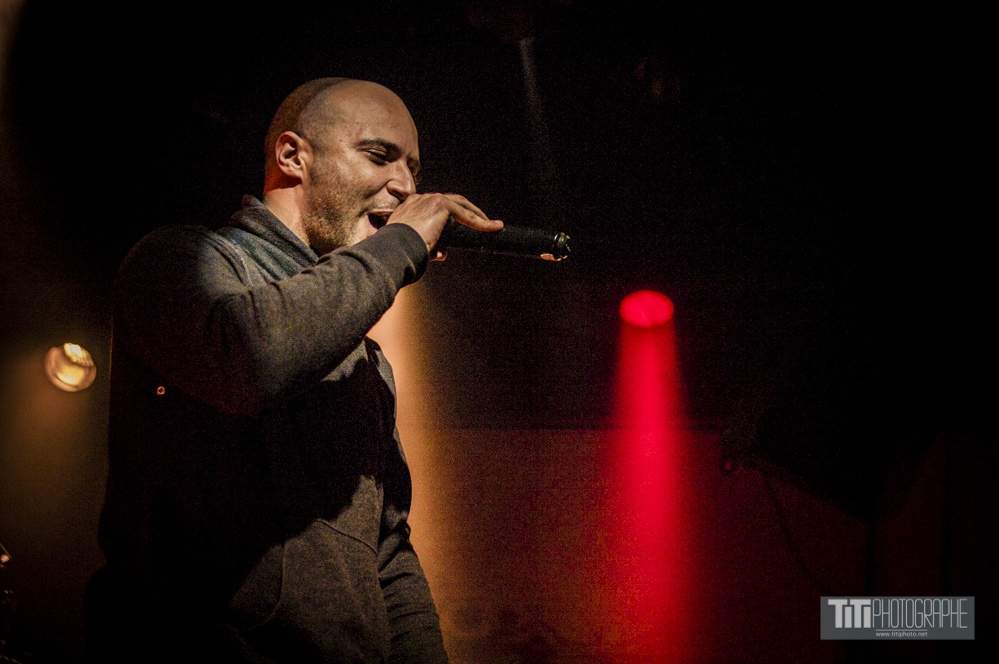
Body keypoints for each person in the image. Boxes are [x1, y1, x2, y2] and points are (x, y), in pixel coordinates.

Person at [85, 78, 502, 663]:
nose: (406, 187)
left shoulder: (364, 360)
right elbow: (251, 360)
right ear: (292, 156)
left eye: (412, 168)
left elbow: (386, 551)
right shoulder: (177, 260)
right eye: (379, 155)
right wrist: (402, 241)